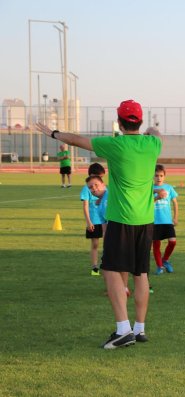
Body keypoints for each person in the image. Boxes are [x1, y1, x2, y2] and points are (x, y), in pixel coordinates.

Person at [37, 99, 162, 349]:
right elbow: (156, 132)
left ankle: (123, 329)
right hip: (146, 220)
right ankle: (140, 329)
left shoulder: (115, 145)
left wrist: (53, 133)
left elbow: (77, 140)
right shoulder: (153, 143)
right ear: (140, 120)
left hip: (121, 219)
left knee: (111, 269)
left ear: (120, 120)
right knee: (141, 274)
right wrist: (149, 131)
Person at [81, 162, 107, 276]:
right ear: (92, 175)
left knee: (108, 244)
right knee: (95, 244)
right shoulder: (86, 189)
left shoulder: (104, 188)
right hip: (94, 221)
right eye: (99, 177)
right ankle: (95, 267)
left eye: (102, 178)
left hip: (105, 220)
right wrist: (88, 221)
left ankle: (106, 264)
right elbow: (85, 205)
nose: (100, 180)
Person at [152, 164, 179, 275]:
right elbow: (147, 204)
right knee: (156, 244)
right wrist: (157, 197)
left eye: (161, 175)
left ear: (164, 176)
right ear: (152, 176)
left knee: (172, 242)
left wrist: (176, 217)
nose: (159, 178)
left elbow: (175, 203)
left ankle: (165, 259)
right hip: (154, 221)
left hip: (167, 221)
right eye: (156, 175)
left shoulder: (169, 188)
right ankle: (159, 266)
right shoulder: (150, 188)